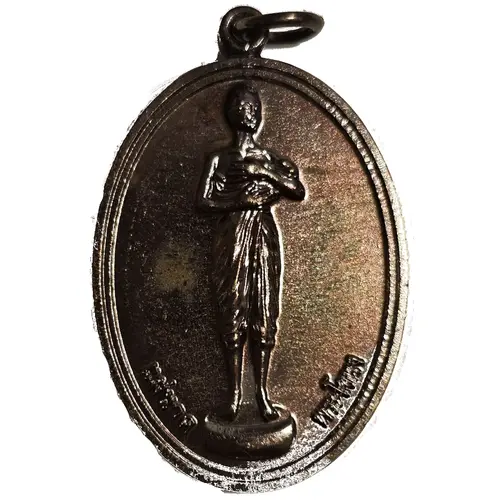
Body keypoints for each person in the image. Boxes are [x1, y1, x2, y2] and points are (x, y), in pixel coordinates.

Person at [197, 84, 305, 421]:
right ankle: (233, 395)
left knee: (264, 309)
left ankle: (261, 393)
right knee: (233, 308)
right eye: (244, 106)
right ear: (232, 113)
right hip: (231, 236)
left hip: (263, 235)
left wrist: (264, 172)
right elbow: (203, 201)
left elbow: (297, 190)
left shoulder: (269, 159)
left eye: (255, 107)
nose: (250, 112)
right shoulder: (219, 159)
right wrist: (240, 200)